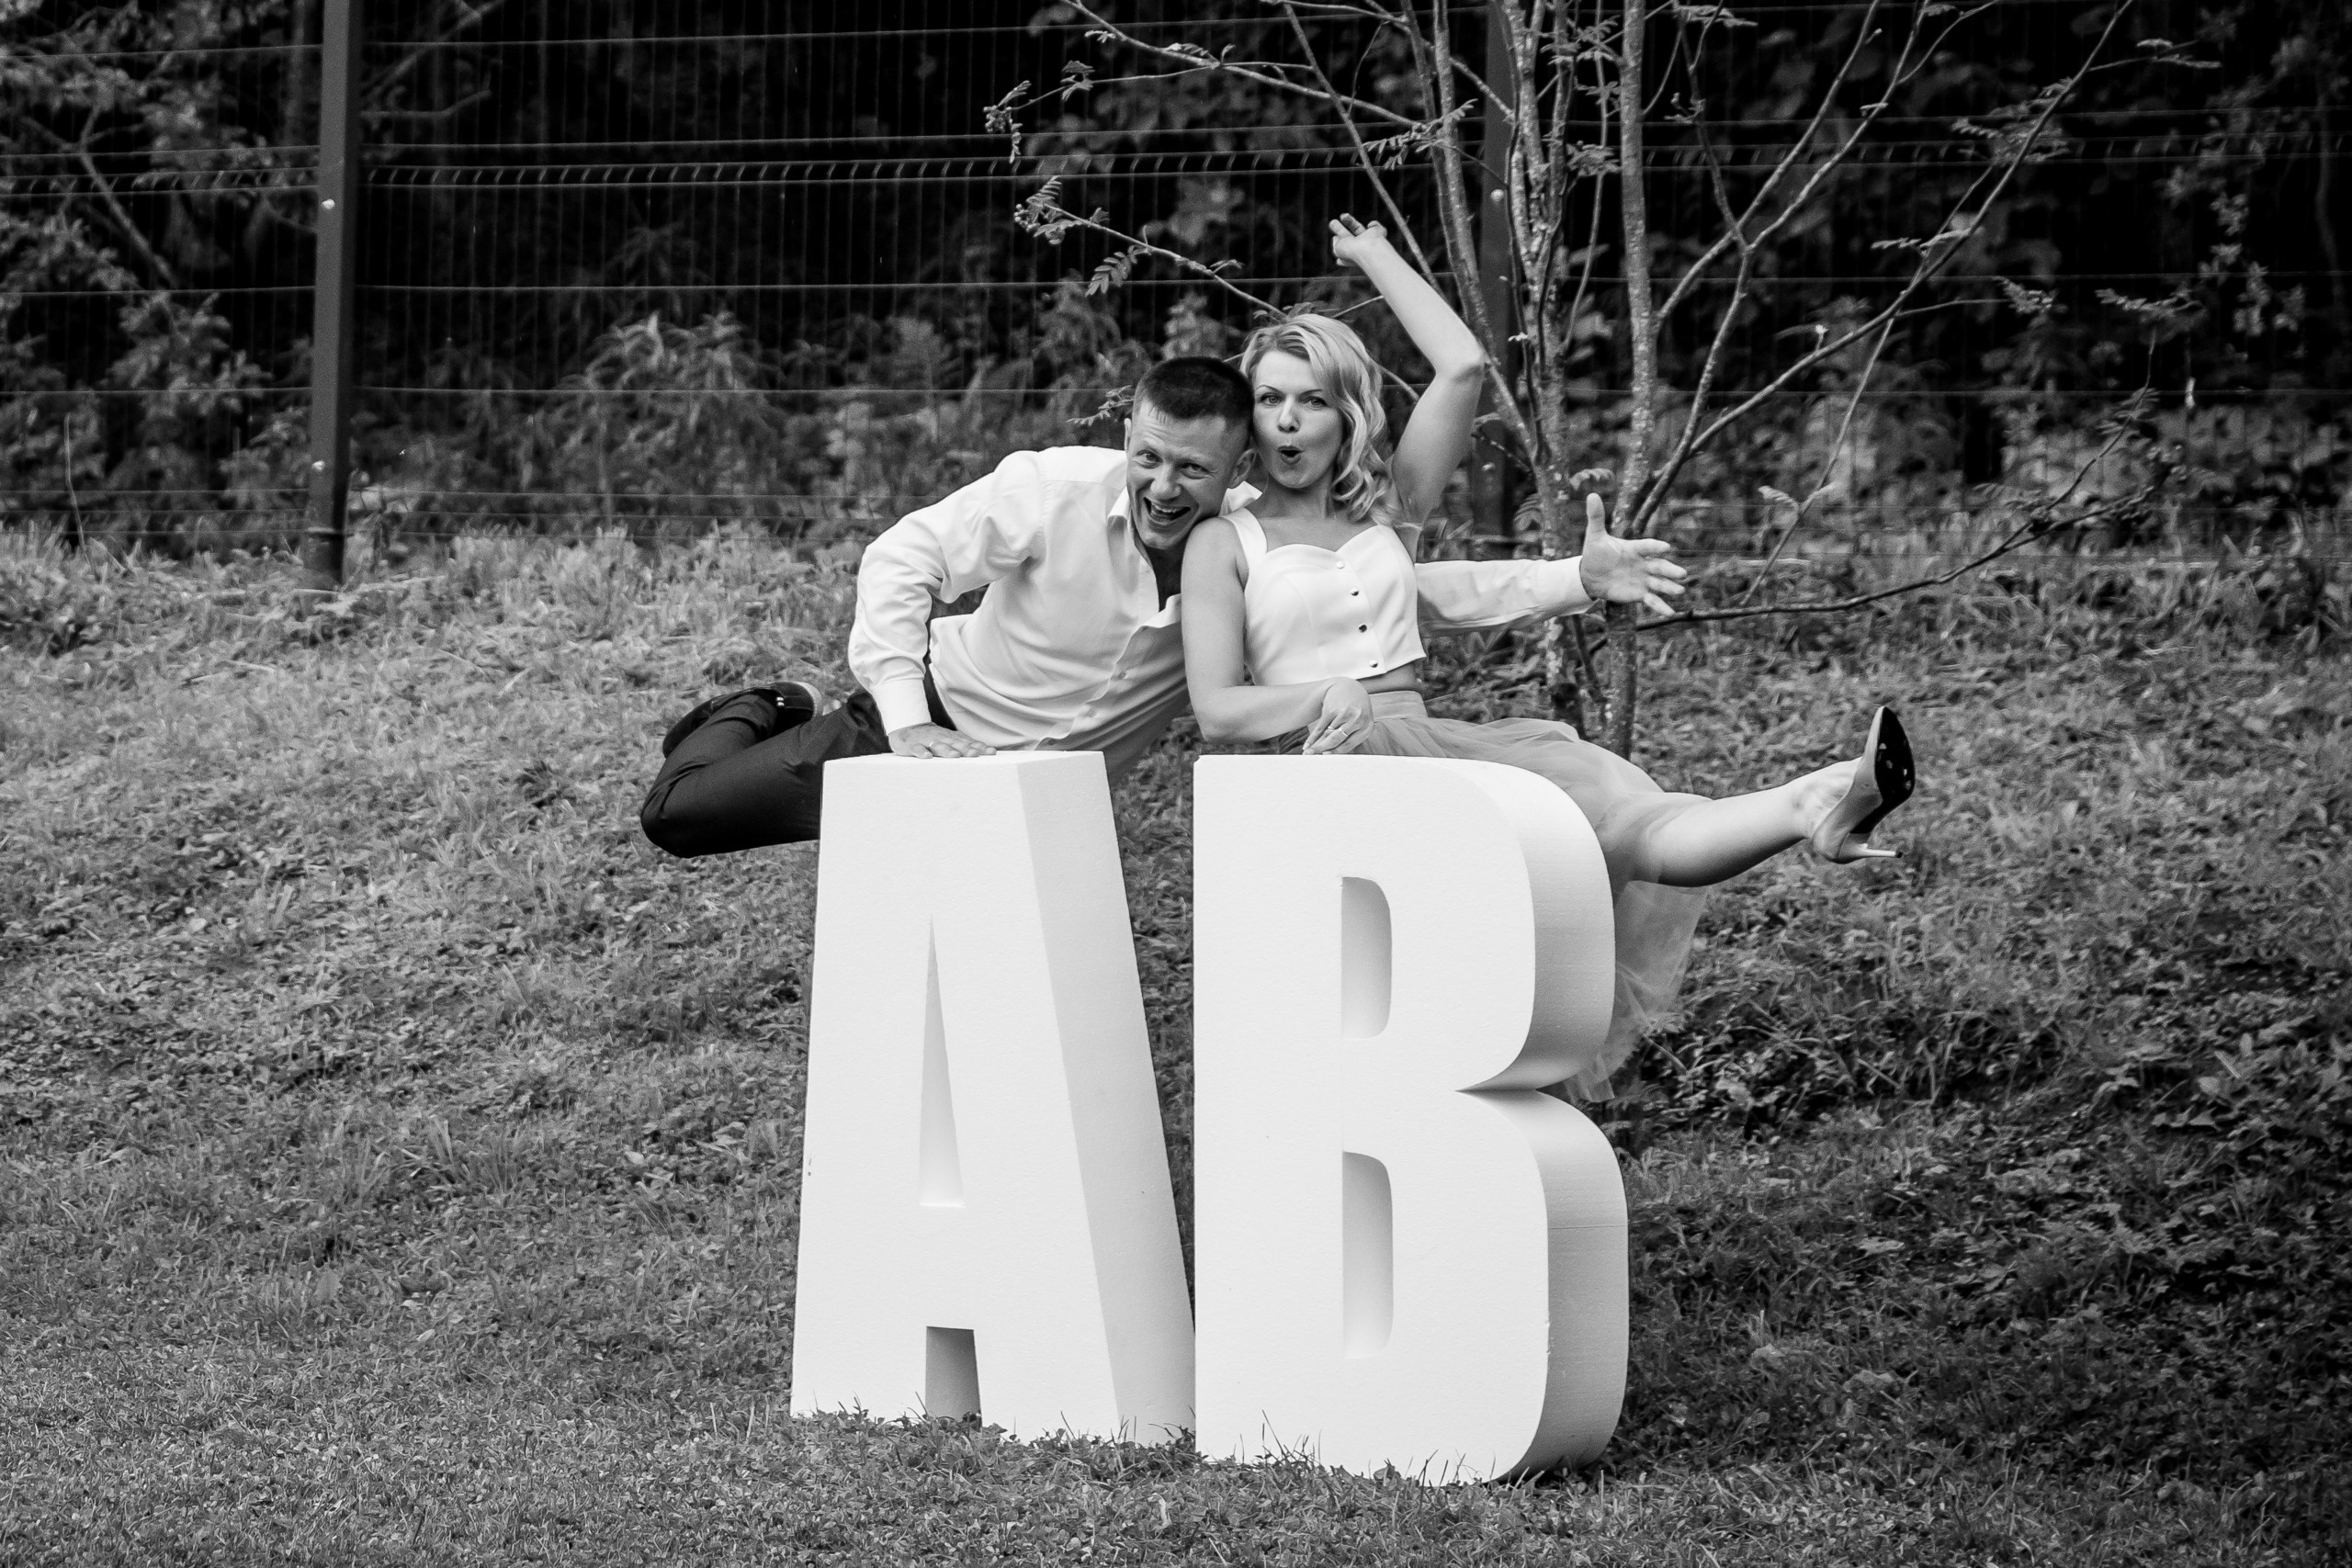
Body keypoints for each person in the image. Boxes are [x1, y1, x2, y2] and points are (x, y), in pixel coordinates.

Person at [1180, 217, 1916, 1087]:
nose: (1289, 420)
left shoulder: (1387, 509)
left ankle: (1809, 803)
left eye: (1311, 399)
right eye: (1270, 400)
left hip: (1430, 749)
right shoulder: (1225, 543)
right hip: (1329, 771)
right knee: (1409, 992)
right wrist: (1322, 693)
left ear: (1347, 414)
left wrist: (1376, 258)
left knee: (1609, 826)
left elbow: (1461, 368)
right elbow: (1218, 706)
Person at [639, 352, 1690, 858]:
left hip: (1038, 808)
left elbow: (1403, 592)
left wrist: (1570, 580)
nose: (1161, 487)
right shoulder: (1048, 488)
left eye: (1191, 469)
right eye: (1147, 457)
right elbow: (902, 556)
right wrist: (906, 724)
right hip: (925, 731)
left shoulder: (1239, 545)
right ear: (1127, 438)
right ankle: (771, 701)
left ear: (1234, 466)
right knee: (680, 818)